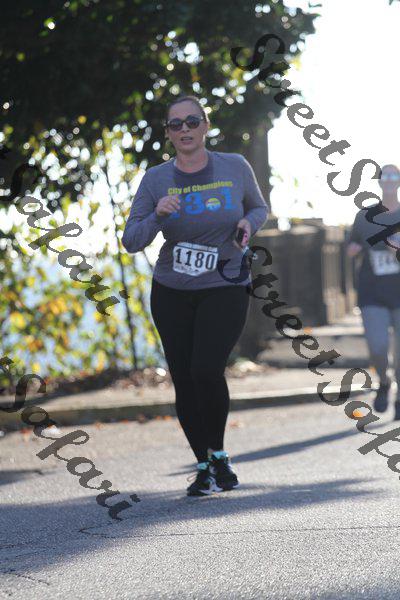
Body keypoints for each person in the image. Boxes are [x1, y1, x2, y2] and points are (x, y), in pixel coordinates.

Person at [122, 95, 268, 496]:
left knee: (206, 369)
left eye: (192, 121)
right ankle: (203, 466)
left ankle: (218, 453)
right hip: (172, 289)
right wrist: (158, 216)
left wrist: (247, 224)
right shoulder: (156, 180)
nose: (184, 129)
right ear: (168, 133)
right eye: (176, 124)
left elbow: (259, 208)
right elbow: (131, 240)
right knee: (184, 379)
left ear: (205, 126)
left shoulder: (234, 166)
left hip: (225, 282)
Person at [347, 163, 400, 418]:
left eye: (393, 175)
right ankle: (384, 381)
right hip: (372, 292)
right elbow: (351, 246)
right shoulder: (364, 216)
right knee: (378, 346)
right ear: (379, 181)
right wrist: (353, 249)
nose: (389, 179)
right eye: (384, 175)